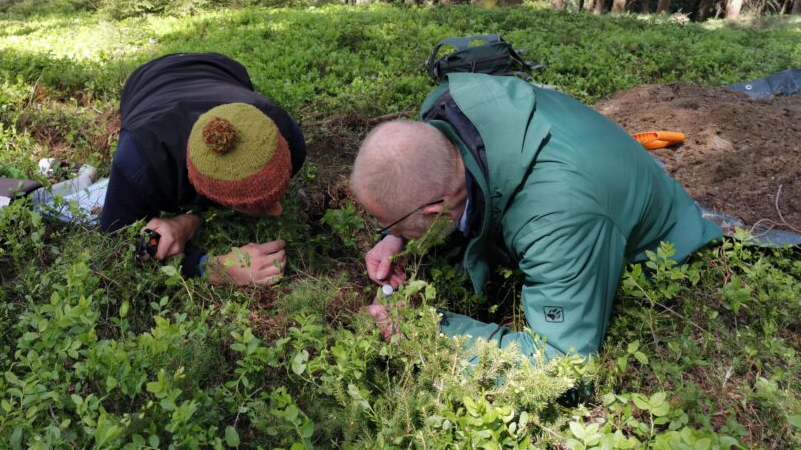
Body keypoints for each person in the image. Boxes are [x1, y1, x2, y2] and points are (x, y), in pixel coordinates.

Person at [351, 72, 723, 359]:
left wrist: (426, 329)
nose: (389, 233)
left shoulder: (557, 218)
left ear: (435, 210)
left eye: (391, 224)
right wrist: (396, 238)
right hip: (589, 163)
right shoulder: (443, 112)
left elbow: (561, 361)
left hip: (662, 239)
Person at [100, 52, 306, 286]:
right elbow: (117, 248)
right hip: (145, 82)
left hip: (216, 67)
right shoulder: (139, 162)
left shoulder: (287, 138)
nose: (278, 210)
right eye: (257, 202)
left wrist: (189, 222)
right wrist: (216, 268)